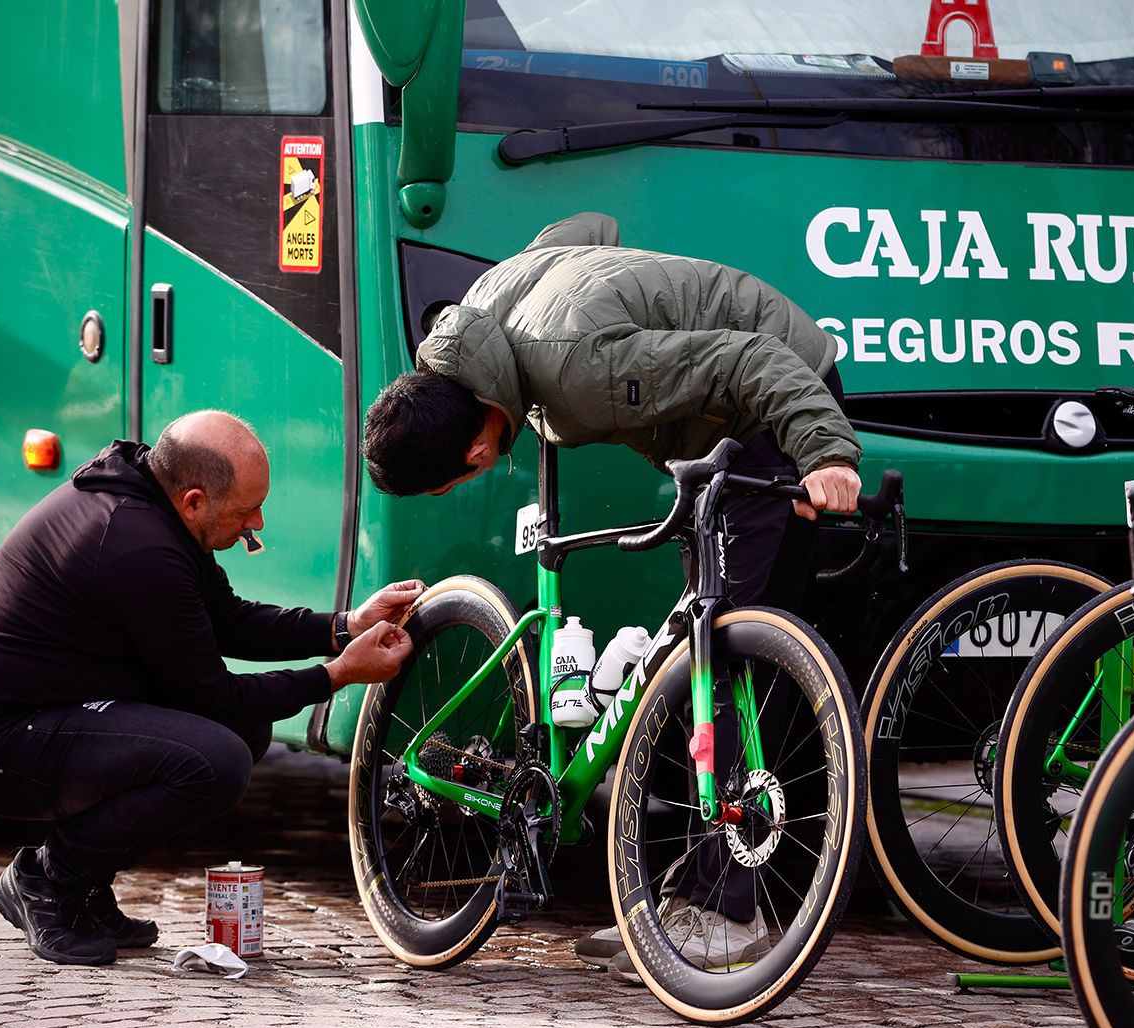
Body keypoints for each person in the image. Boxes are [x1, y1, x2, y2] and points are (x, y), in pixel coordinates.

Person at [362, 212, 862, 980]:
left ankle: (728, 909)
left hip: (777, 391)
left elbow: (750, 357)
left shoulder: (575, 371)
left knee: (717, 647)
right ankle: (691, 893)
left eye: (459, 476)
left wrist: (821, 450)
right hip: (718, 421)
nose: (475, 477)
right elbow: (587, 229)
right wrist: (628, 300)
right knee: (715, 633)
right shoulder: (483, 313)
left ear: (472, 448)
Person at [0, 411, 420, 967]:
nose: (255, 523)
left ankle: (85, 882)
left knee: (240, 732)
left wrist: (344, 626)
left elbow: (226, 619)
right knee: (214, 759)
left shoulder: (156, 507)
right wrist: (335, 675)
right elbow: (212, 698)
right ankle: (48, 879)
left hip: (52, 714)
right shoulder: (137, 544)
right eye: (246, 510)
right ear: (194, 500)